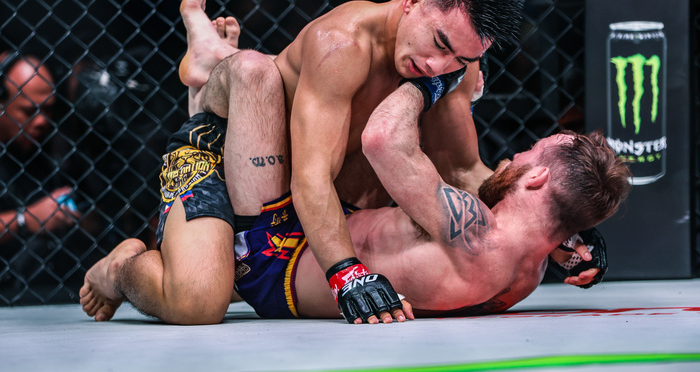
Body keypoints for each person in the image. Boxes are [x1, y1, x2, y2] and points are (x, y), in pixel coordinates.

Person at [79, 71, 631, 323]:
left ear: (537, 180)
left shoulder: (474, 230)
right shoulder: (529, 272)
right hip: (318, 227)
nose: (513, 156)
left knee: (196, 305)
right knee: (264, 81)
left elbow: (383, 138)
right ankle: (209, 74)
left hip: (276, 260)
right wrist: (573, 229)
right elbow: (480, 179)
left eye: (528, 154)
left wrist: (435, 80)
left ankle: (119, 267)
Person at [176, 0, 524, 323]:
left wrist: (554, 226)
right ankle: (127, 258)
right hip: (246, 158)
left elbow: (461, 170)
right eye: (440, 43)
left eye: (461, 58)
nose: (437, 65)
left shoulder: (456, 67)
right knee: (198, 303)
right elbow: (311, 178)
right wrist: (346, 273)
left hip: (326, 196)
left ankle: (213, 58)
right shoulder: (342, 43)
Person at [0, 51, 79, 245]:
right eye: (29, 111)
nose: (42, 121)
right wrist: (25, 220)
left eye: (47, 109)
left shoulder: (54, 146)